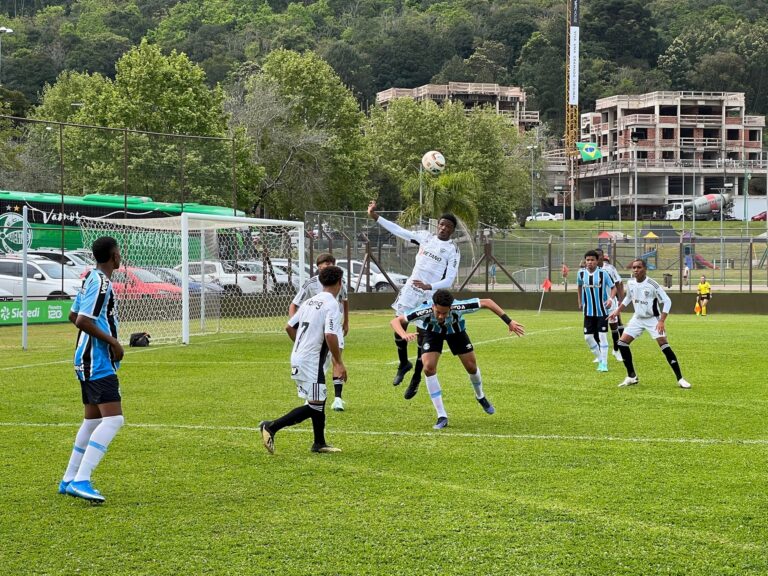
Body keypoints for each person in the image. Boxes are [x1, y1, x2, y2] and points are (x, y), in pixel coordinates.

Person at [390, 289, 524, 429]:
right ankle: (441, 415)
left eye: (445, 313)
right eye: (438, 312)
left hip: (457, 332)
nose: (441, 316)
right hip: (433, 333)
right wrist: (403, 334)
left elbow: (488, 302)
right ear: (433, 306)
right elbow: (395, 321)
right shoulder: (423, 311)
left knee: (471, 367)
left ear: (451, 307)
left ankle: (480, 396)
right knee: (428, 368)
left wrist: (508, 321)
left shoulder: (458, 307)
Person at [367, 200, 460, 400]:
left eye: (448, 227)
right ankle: (403, 363)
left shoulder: (453, 250)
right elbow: (399, 230)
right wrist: (376, 217)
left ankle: (416, 377)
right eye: (442, 224)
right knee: (399, 324)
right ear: (438, 225)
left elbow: (450, 278)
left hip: (429, 295)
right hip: (410, 289)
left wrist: (430, 286)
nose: (443, 228)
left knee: (422, 335)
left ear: (452, 230)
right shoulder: (425, 238)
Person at [58, 236, 125, 503]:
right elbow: (82, 321)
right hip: (95, 361)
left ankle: (68, 478)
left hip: (85, 359)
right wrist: (113, 342)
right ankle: (82, 479)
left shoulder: (89, 277)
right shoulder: (102, 282)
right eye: (118, 252)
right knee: (114, 419)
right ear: (112, 255)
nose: (120, 256)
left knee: (93, 420)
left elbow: (73, 315)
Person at [260, 265, 347, 454]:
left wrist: (301, 344)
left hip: (300, 356)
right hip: (311, 360)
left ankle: (319, 443)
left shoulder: (310, 302)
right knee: (315, 405)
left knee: (318, 399)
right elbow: (330, 334)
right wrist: (338, 363)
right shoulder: (331, 304)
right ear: (340, 282)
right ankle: (271, 427)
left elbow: (289, 327)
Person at [608, 258, 691, 389]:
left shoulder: (652, 284)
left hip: (653, 319)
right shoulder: (630, 283)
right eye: (634, 268)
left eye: (639, 267)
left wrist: (662, 321)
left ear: (645, 269)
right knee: (622, 344)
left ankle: (680, 379)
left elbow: (667, 301)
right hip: (638, 318)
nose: (636, 270)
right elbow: (629, 297)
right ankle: (631, 376)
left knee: (664, 345)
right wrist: (617, 310)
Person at [289, 253, 349, 411]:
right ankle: (313, 398)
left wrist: (346, 322)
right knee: (320, 363)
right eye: (325, 263)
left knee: (336, 358)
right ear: (318, 266)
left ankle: (337, 399)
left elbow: (344, 301)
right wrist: (301, 331)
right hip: (317, 329)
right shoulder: (311, 286)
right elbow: (293, 306)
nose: (328, 265)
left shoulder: (339, 282)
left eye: (331, 262)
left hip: (333, 324)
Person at [576, 250, 616, 372]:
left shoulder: (603, 274)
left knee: (602, 336)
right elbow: (579, 286)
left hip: (602, 311)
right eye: (588, 260)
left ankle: (604, 363)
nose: (590, 262)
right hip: (588, 312)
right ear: (585, 261)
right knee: (588, 337)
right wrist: (579, 301)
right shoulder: (581, 274)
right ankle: (600, 358)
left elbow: (613, 287)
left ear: (597, 261)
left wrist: (610, 299)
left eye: (592, 260)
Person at [596, 249, 625, 362]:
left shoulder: (610, 269)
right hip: (597, 304)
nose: (598, 258)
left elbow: (618, 283)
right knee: (598, 329)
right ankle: (599, 354)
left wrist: (620, 300)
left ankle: (616, 350)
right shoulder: (591, 270)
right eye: (596, 256)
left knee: (614, 326)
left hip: (610, 302)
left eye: (599, 256)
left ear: (603, 257)